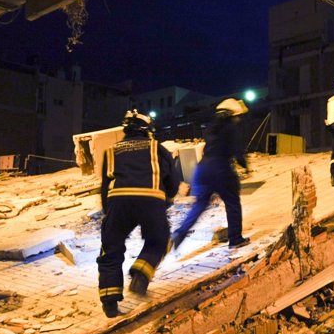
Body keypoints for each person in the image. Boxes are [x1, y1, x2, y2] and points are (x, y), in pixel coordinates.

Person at [97, 109, 180, 317]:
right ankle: (142, 272)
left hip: (118, 201)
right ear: (148, 130)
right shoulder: (157, 149)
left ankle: (110, 300)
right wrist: (167, 199)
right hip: (151, 200)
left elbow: (105, 186)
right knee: (159, 239)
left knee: (111, 247)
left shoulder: (111, 151)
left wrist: (110, 214)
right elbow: (173, 181)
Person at [172, 98, 251, 251]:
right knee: (232, 202)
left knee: (200, 205)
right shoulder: (230, 127)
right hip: (220, 168)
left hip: (202, 169)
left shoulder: (210, 128)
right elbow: (236, 150)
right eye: (237, 117)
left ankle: (180, 233)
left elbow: (205, 149)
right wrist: (245, 166)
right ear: (232, 115)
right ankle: (235, 239)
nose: (238, 120)